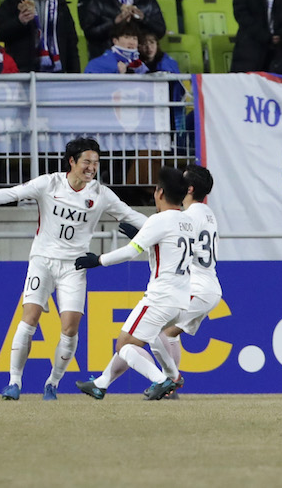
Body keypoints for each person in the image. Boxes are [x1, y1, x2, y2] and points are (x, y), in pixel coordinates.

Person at [0, 137, 148, 401]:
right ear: (72, 162)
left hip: (75, 266)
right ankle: (14, 382)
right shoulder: (49, 183)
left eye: (96, 163)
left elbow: (132, 216)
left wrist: (171, 226)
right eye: (86, 162)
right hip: (42, 260)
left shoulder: (101, 194)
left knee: (70, 328)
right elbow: (13, 193)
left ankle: (52, 383)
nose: (91, 168)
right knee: (29, 318)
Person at [77, 165, 221, 400]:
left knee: (125, 345)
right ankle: (104, 382)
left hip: (166, 294)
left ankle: (164, 380)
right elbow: (172, 244)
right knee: (158, 335)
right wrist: (143, 236)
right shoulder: (196, 217)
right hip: (183, 295)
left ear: (160, 193)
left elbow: (132, 252)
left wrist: (98, 260)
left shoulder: (165, 219)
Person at [84, 20, 149, 73]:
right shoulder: (97, 64)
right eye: (127, 37)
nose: (131, 42)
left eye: (134, 38)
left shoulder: (140, 66)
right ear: (115, 41)